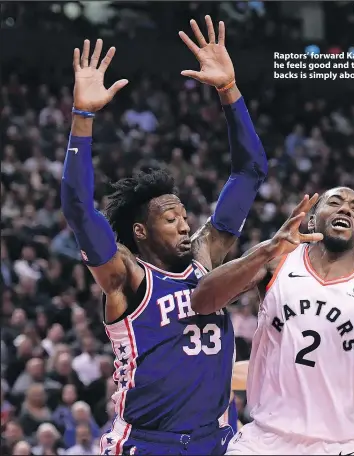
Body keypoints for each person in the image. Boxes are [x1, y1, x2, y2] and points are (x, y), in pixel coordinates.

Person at [61, 16, 267, 456]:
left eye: (184, 215)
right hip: (148, 443)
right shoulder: (125, 277)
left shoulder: (205, 255)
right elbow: (79, 209)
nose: (184, 224)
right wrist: (82, 118)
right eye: (169, 218)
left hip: (216, 440)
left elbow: (250, 172)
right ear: (141, 231)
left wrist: (229, 90)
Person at [191, 188, 354, 455]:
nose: (345, 209)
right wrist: (266, 249)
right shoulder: (278, 260)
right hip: (263, 438)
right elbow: (202, 300)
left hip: (336, 446)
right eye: (335, 202)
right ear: (311, 221)